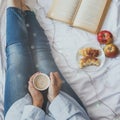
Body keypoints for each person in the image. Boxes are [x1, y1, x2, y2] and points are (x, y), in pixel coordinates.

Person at [4, 0, 91, 120]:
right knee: (42, 54)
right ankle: (26, 10)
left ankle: (14, 5)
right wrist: (54, 97)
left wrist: (37, 104)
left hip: (20, 116)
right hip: (66, 112)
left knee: (17, 52)